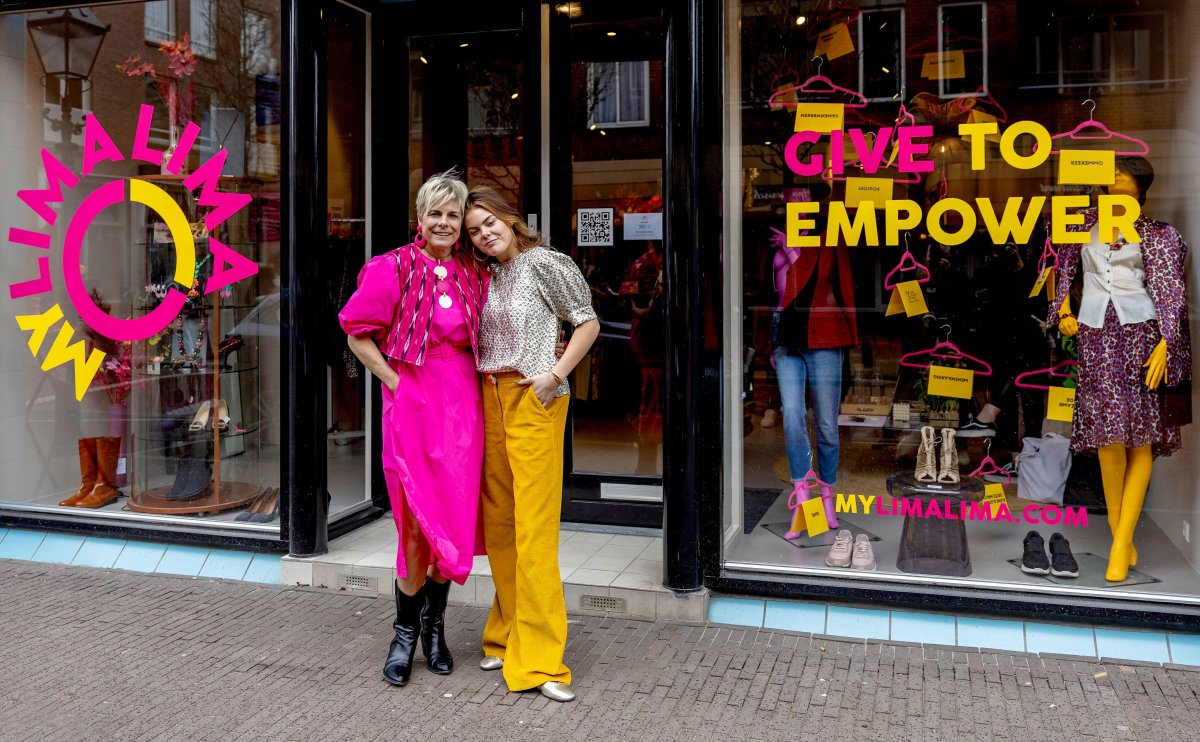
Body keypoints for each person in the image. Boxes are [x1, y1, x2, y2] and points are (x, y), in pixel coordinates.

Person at [339, 170, 488, 686]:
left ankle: (434, 628)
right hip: (413, 406)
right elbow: (358, 335)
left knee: (453, 516)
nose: (444, 223)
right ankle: (404, 633)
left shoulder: (475, 272)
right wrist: (397, 384)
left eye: (453, 215)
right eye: (435, 214)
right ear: (419, 219)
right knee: (414, 521)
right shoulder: (392, 268)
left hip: (465, 407)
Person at [463, 187, 600, 703]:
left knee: (535, 530)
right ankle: (505, 633)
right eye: (475, 230)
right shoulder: (487, 275)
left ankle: (542, 659)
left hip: (532, 395)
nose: (485, 234)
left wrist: (555, 374)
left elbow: (586, 322)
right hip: (489, 396)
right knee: (500, 525)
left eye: (490, 222)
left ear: (510, 218)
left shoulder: (546, 262)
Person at [1052, 156, 1191, 582]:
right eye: (1112, 171)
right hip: (1096, 335)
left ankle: (1118, 544)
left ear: (1141, 184)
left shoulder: (1159, 233)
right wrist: (1062, 311)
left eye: (1124, 171)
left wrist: (1170, 342)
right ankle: (1121, 536)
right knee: (1109, 441)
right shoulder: (1082, 224)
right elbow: (1062, 271)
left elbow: (1171, 290)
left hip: (1141, 337)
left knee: (1140, 440)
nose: (1114, 176)